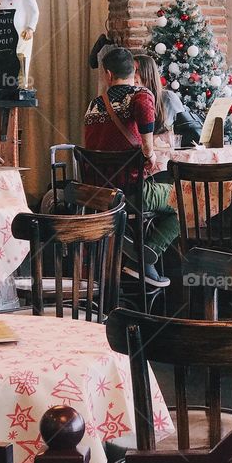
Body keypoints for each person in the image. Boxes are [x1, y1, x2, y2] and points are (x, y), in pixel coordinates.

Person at [83, 47, 174, 287]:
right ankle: (144, 258)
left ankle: (131, 255)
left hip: (99, 195)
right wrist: (150, 154)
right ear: (133, 71)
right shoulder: (140, 95)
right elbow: (146, 139)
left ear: (108, 74)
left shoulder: (94, 105)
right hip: (131, 193)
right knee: (184, 200)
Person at [133, 54, 185, 135]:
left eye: (136, 70)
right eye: (130, 71)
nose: (132, 75)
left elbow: (184, 128)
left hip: (166, 146)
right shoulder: (130, 99)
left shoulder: (168, 98)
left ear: (149, 73)